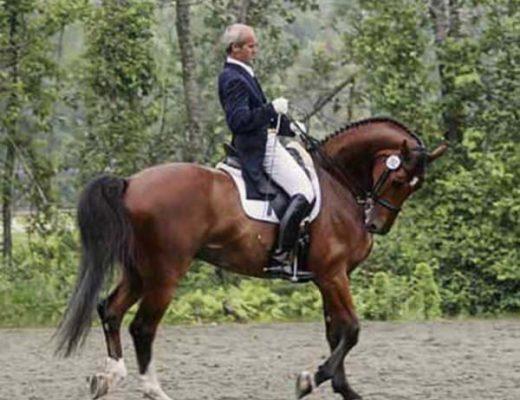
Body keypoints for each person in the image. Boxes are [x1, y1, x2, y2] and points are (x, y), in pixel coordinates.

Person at [218, 23, 315, 276]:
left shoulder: (244, 73)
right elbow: (240, 122)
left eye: (255, 45)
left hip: (268, 139)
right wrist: (272, 109)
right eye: (251, 46)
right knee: (304, 191)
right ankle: (282, 256)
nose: (255, 50)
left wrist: (290, 127)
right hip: (258, 148)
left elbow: (261, 117)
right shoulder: (232, 78)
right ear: (235, 48)